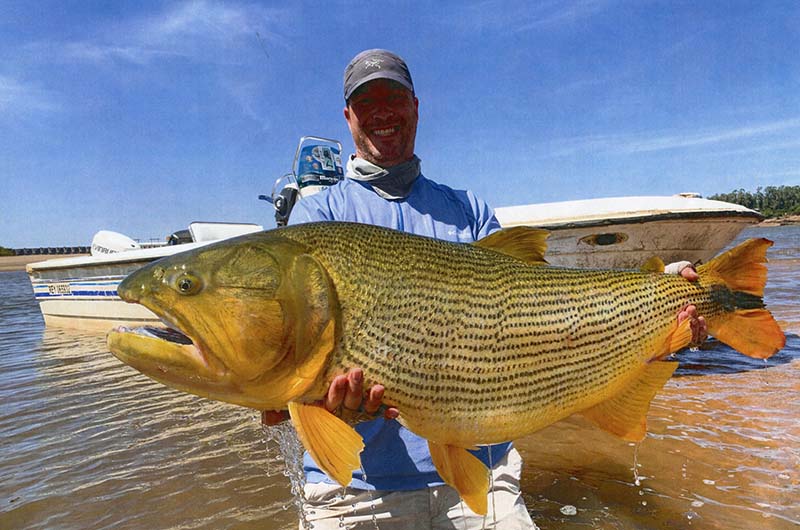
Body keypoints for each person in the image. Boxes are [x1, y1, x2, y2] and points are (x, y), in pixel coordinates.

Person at [263, 49, 707, 530]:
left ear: (415, 106)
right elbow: (276, 395)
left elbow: (544, 311)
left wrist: (660, 301)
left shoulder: (469, 210)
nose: (382, 113)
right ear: (348, 116)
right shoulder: (318, 219)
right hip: (355, 490)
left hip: (483, 473)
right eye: (367, 102)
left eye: (393, 97)